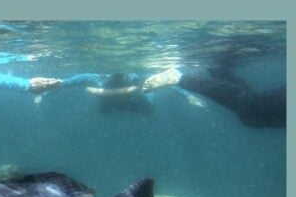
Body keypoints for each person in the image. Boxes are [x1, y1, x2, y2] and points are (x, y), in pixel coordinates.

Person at [66, 66, 285, 128]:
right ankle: (215, 68)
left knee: (252, 112)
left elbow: (153, 81)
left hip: (138, 98)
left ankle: (213, 69)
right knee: (252, 111)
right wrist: (57, 84)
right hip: (115, 101)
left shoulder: (134, 74)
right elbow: (80, 77)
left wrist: (185, 93)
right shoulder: (97, 75)